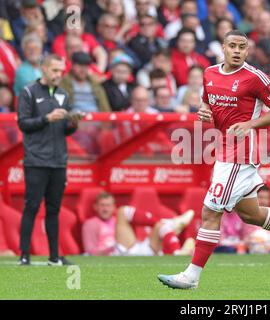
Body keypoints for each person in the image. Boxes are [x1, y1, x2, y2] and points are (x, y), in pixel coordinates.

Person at [158, 30, 270, 290]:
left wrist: (251, 124)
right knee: (251, 214)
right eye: (232, 46)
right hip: (224, 151)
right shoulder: (209, 73)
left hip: (240, 154)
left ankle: (191, 276)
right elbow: (208, 105)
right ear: (223, 48)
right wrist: (204, 112)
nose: (237, 51)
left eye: (242, 47)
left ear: (248, 51)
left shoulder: (256, 78)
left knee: (210, 212)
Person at [17, 54, 83, 266]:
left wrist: (72, 123)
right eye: (55, 70)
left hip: (58, 161)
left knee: (54, 209)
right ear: (44, 69)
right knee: (32, 207)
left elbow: (64, 131)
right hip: (36, 160)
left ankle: (54, 257)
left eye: (61, 71)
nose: (58, 75)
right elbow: (23, 123)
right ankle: (24, 256)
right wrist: (47, 118)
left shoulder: (63, 94)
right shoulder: (28, 92)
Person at [82, 192, 195, 256]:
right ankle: (172, 225)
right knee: (123, 211)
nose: (105, 209)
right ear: (95, 207)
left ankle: (177, 251)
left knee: (159, 227)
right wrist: (109, 250)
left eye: (108, 205)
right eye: (102, 205)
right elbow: (90, 251)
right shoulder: (91, 224)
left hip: (132, 249)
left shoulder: (116, 221)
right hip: (116, 253)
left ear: (113, 207)